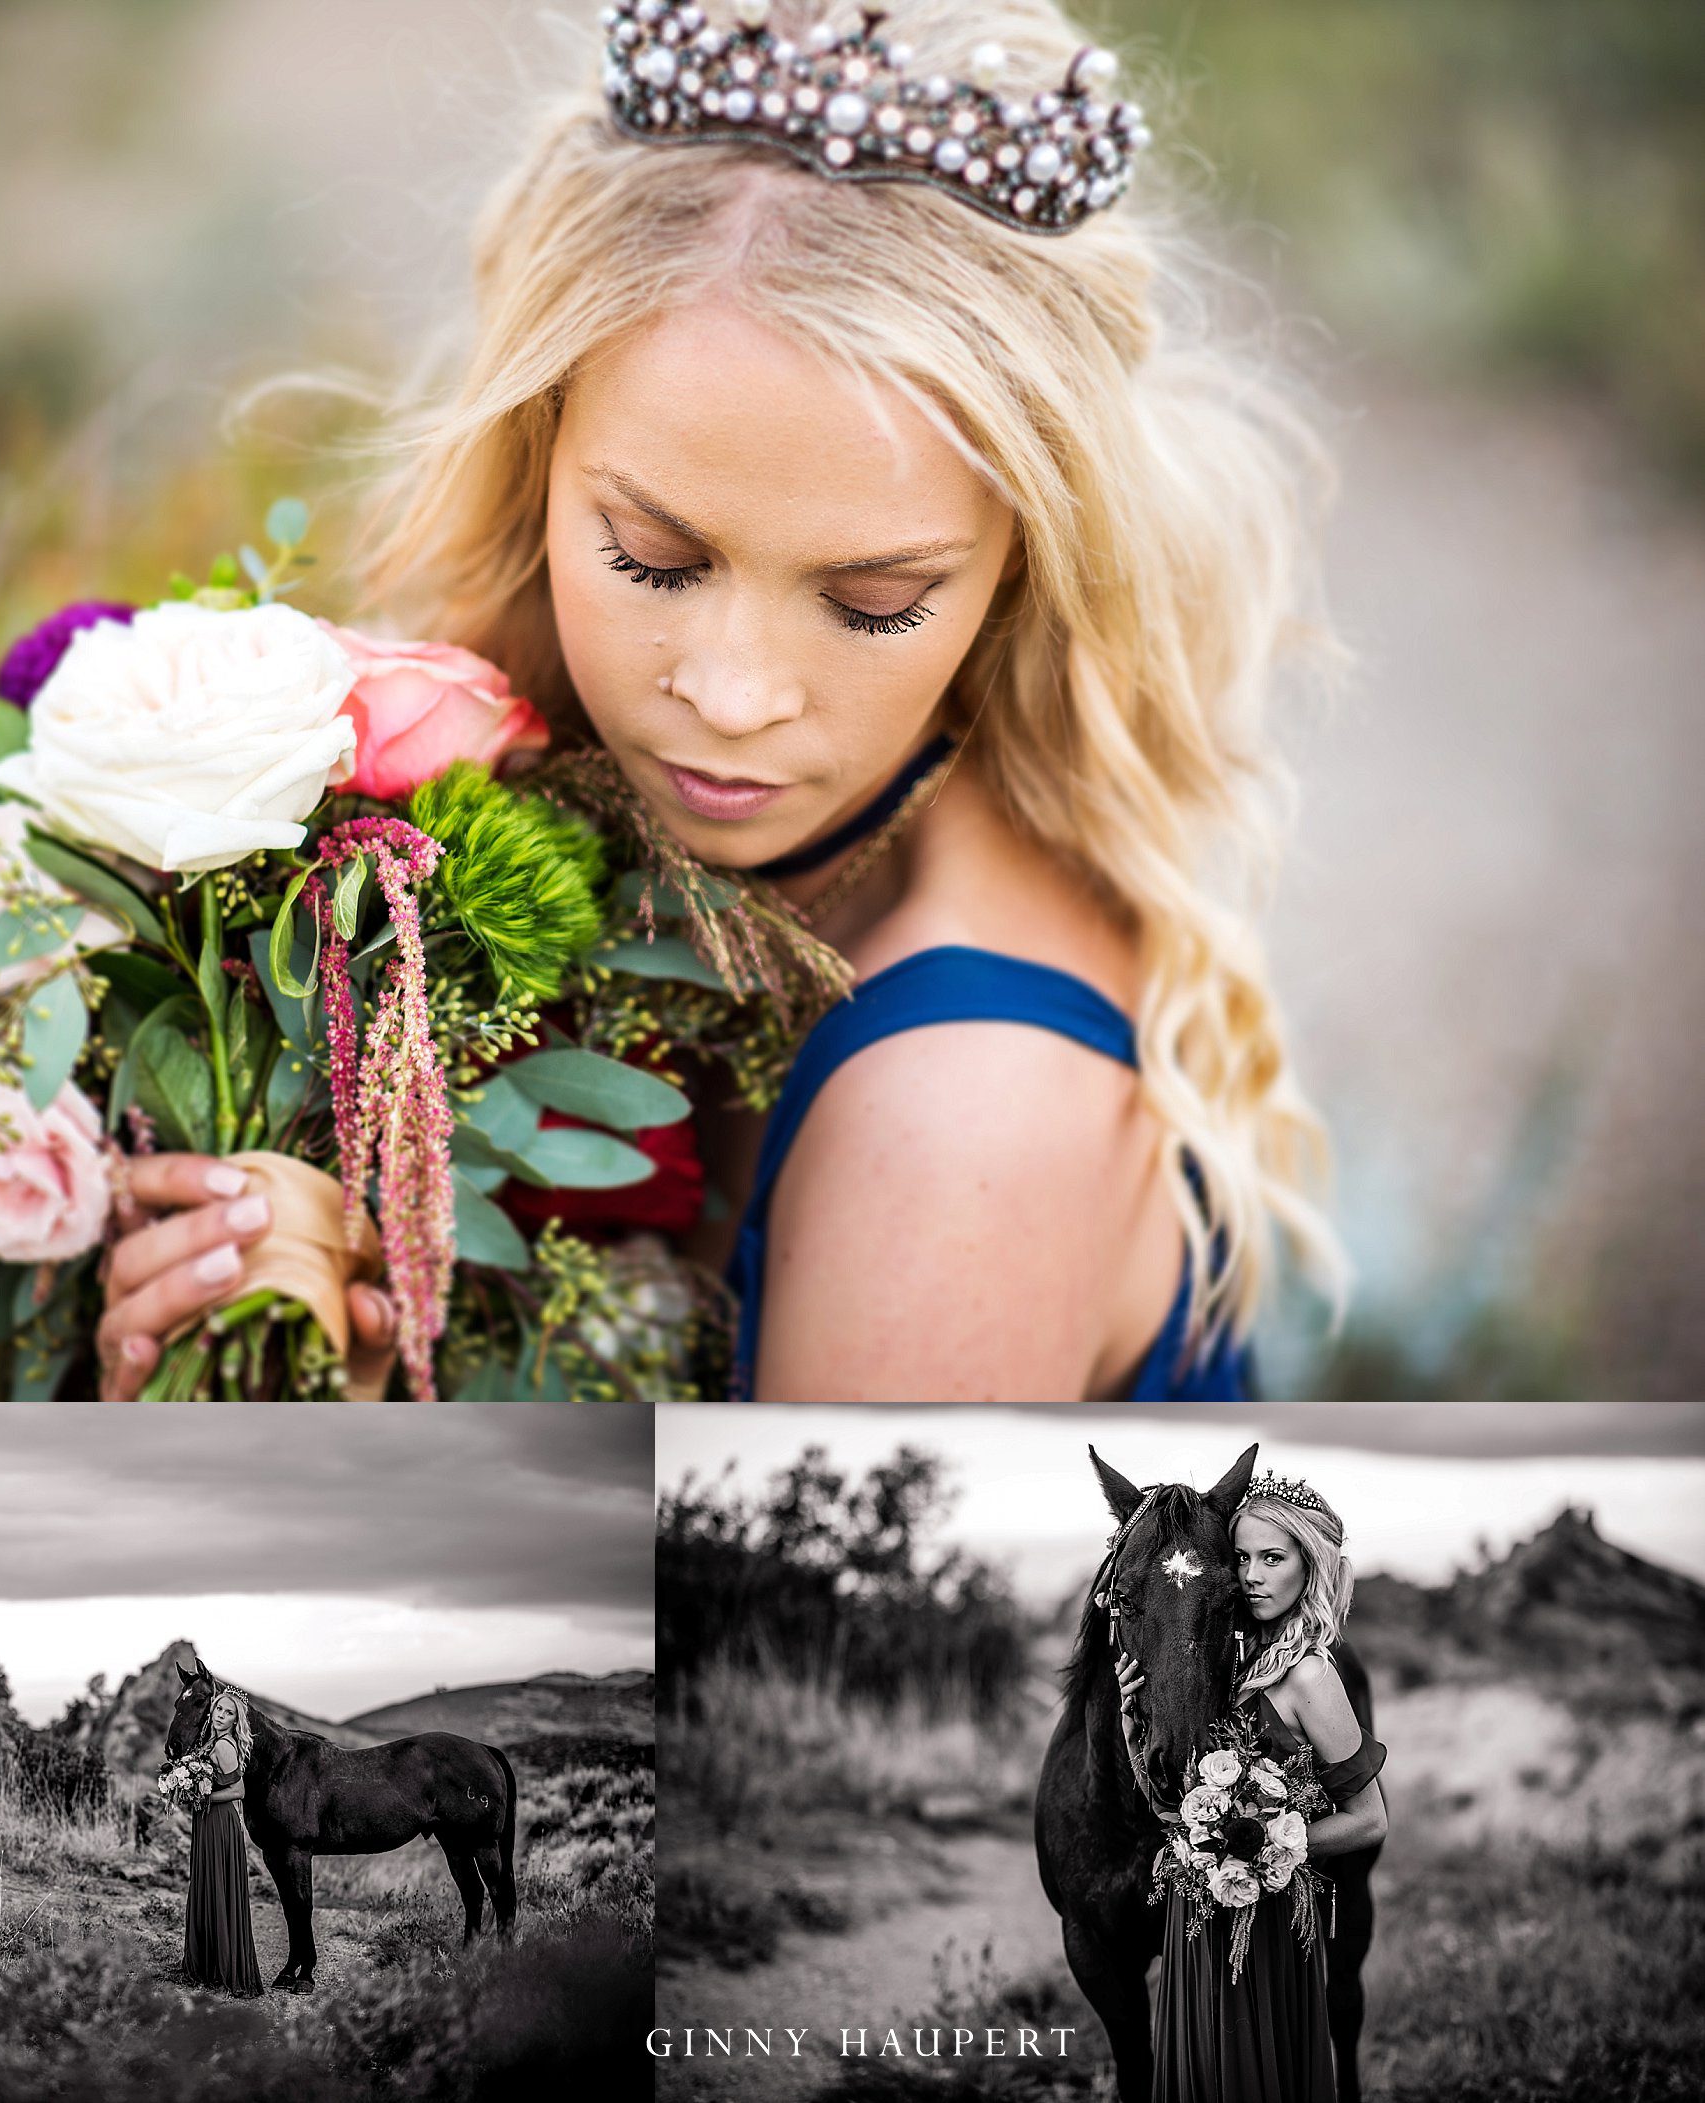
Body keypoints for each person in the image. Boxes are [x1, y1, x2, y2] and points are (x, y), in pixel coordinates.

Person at [95, 0, 1348, 1401]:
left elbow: (783, 1629)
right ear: (536, 460)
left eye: (874, 603)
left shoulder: (955, 1120)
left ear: (1021, 562)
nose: (735, 696)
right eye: (653, 558)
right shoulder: (462, 791)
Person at [1117, 1473, 1387, 2100]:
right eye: (1240, 1558)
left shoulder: (1311, 1677)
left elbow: (1370, 1819)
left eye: (1273, 1557)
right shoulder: (1230, 1665)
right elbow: (1173, 1813)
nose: (1253, 1576)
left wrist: (1264, 1850)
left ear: (1309, 1565)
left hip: (1263, 1921)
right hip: (1199, 1913)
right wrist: (1136, 1729)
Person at [183, 1688, 264, 1997]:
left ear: (235, 1720)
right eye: (219, 1709)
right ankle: (210, 1963)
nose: (221, 1715)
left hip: (219, 1821)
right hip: (208, 1821)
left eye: (229, 1713)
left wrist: (203, 1797)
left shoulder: (226, 1746)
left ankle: (224, 1966)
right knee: (207, 1884)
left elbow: (239, 1791)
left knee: (217, 1886)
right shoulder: (213, 1741)